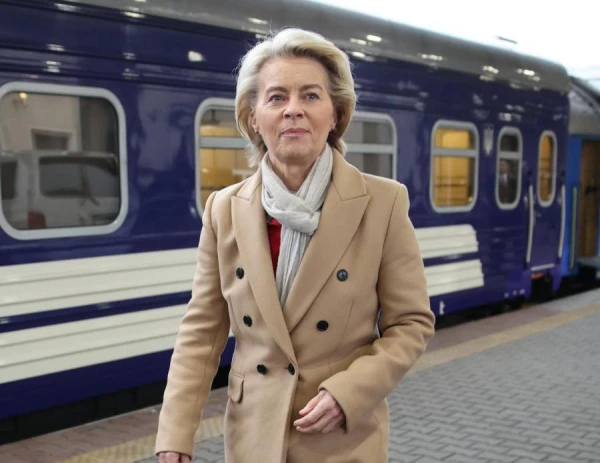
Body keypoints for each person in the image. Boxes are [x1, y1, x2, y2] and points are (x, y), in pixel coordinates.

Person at [155, 28, 435, 463]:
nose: (293, 110)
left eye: (310, 96)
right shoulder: (224, 210)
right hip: (253, 437)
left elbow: (411, 323)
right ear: (254, 118)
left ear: (335, 114)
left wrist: (349, 393)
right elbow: (202, 331)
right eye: (276, 97)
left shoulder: (382, 203)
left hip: (340, 438)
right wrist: (175, 434)